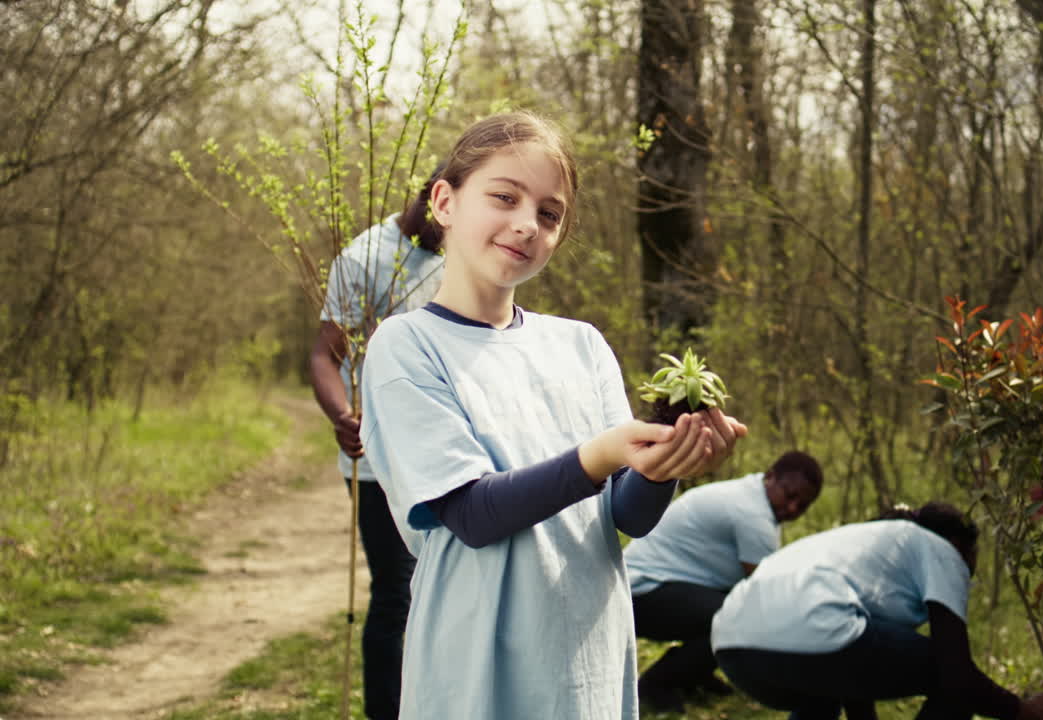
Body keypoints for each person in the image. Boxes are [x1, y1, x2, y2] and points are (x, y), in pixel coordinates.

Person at [358, 111, 748, 720]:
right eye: (504, 197)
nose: (525, 225)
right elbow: (472, 514)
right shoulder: (405, 346)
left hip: (585, 655)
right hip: (476, 661)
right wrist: (604, 455)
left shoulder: (581, 345)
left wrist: (663, 466)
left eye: (549, 213)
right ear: (445, 201)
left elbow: (627, 517)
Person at [710, 502, 1043, 720]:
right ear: (961, 546)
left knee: (822, 694)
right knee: (949, 678)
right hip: (811, 632)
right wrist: (1024, 711)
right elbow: (956, 674)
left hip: (733, 646)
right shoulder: (940, 548)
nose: (966, 577)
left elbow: (855, 672)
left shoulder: (863, 544)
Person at [308, 170, 447, 720]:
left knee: (445, 589)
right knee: (398, 592)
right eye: (441, 217)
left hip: (446, 449)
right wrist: (341, 414)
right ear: (430, 199)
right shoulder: (363, 258)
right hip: (377, 459)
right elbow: (325, 355)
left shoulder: (468, 250)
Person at [625, 450, 824, 711]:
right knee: (737, 618)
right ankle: (657, 685)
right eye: (790, 495)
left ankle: (692, 675)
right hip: (640, 594)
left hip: (652, 586)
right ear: (771, 477)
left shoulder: (752, 493)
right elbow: (768, 593)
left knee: (736, 605)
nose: (793, 508)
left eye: (802, 505)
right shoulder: (753, 515)